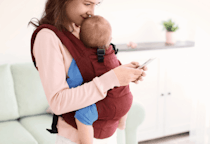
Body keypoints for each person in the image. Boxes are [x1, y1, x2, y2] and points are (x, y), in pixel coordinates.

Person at [28, 0, 147, 144]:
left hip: (108, 133)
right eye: (87, 3)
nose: (92, 11)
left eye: (95, 5)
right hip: (77, 138)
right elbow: (58, 103)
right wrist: (113, 78)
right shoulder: (48, 37)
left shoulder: (85, 29)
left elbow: (97, 71)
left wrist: (124, 74)